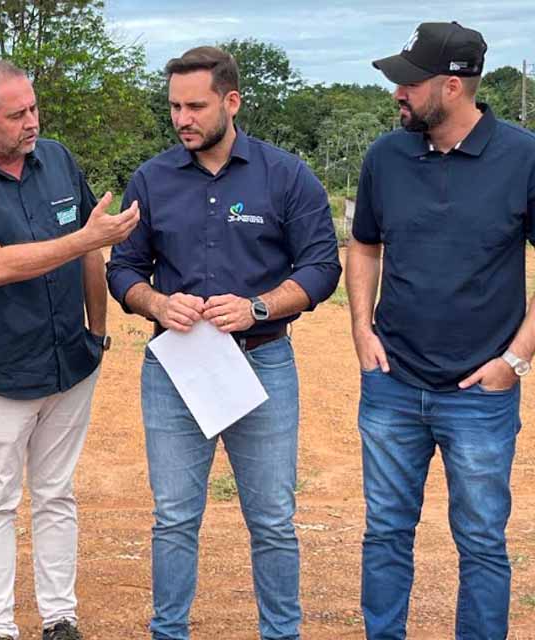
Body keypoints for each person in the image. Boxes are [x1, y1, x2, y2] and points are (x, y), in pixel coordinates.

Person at [107, 46, 341, 640]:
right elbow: (123, 268)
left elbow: (321, 267)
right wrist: (157, 303)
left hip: (262, 361)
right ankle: (169, 631)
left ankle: (281, 633)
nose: (182, 119)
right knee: (173, 518)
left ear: (231, 102)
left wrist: (257, 307)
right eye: (174, 107)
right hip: (177, 368)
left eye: (195, 107)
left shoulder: (285, 175)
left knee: (273, 519)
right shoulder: (152, 179)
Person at [0, 59, 138, 640]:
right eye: (15, 114)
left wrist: (97, 332)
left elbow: (91, 249)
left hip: (71, 361)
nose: (31, 122)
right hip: (1, 371)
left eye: (33, 108)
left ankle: (60, 617)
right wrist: (84, 238)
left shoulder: (58, 160)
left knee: (56, 494)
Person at [347, 21, 535, 639]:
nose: (397, 93)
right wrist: (361, 331)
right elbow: (364, 245)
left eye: (409, 82)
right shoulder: (385, 156)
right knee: (385, 532)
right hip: (392, 383)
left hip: (480, 394)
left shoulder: (524, 157)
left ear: (452, 87)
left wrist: (515, 360)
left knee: (481, 541)